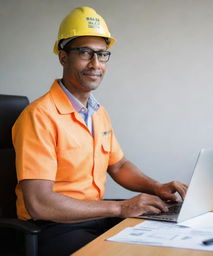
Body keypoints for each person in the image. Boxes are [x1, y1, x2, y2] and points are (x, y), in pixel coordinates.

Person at [12, 6, 188, 256]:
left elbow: (118, 165)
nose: (96, 64)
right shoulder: (39, 116)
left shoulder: (97, 111)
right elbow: (40, 203)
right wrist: (119, 208)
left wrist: (156, 187)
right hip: (54, 227)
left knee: (166, 239)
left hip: (96, 218)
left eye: (102, 54)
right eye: (85, 53)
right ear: (63, 57)